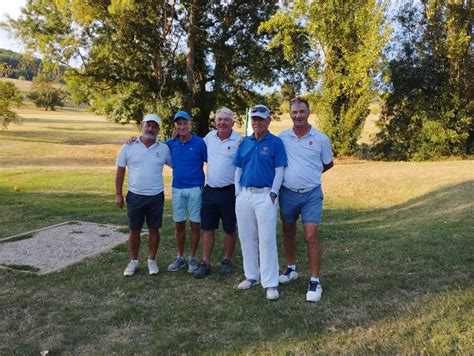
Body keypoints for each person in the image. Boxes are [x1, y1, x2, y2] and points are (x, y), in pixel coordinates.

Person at [278, 97, 334, 302]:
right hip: (288, 193)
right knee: (288, 233)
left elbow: (328, 164)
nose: (298, 115)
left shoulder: (320, 139)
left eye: (302, 111)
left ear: (309, 113)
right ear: (290, 114)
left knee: (311, 237)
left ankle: (314, 280)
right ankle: (291, 269)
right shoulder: (283, 137)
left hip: (311, 194)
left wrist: (310, 174)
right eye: (294, 112)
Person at [233, 104, 287, 300]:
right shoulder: (245, 142)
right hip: (245, 195)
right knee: (247, 238)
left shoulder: (275, 142)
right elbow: (238, 168)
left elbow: (279, 169)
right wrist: (237, 192)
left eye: (261, 119)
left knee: (266, 240)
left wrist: (273, 193)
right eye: (254, 119)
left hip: (266, 196)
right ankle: (252, 276)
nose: (257, 122)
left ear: (268, 121)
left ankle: (270, 282)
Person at [115, 114, 172, 277]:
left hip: (156, 196)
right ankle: (133, 261)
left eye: (155, 126)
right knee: (134, 230)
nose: (151, 129)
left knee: (154, 229)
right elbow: (120, 170)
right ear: (142, 125)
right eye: (148, 125)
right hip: (135, 195)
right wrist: (118, 194)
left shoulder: (163, 148)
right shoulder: (128, 146)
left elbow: (177, 163)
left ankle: (151, 260)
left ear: (158, 129)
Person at [193, 108, 242, 278]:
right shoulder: (208, 138)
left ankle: (226, 261)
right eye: (219, 119)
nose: (222, 122)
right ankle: (205, 263)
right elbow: (194, 145)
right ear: (215, 121)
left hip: (230, 191)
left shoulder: (239, 141)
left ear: (232, 123)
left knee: (229, 228)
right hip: (210, 190)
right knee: (207, 228)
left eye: (226, 120)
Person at [165, 111, 207, 273]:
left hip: (195, 188)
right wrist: (134, 140)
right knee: (179, 223)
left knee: (195, 224)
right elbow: (154, 145)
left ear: (190, 124)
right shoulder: (171, 143)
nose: (182, 127)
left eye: (185, 123)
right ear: (175, 126)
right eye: (179, 124)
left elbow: (212, 159)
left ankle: (193, 258)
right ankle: (180, 257)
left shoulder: (199, 143)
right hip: (177, 188)